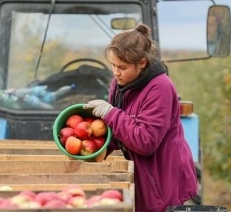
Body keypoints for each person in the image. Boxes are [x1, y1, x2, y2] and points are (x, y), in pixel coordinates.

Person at [83, 23, 197, 212]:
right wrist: (97, 146)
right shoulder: (120, 82)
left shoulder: (160, 87)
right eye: (113, 65)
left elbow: (145, 141)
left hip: (161, 180)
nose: (116, 72)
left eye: (122, 67)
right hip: (142, 176)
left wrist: (109, 113)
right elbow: (118, 129)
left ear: (142, 63)